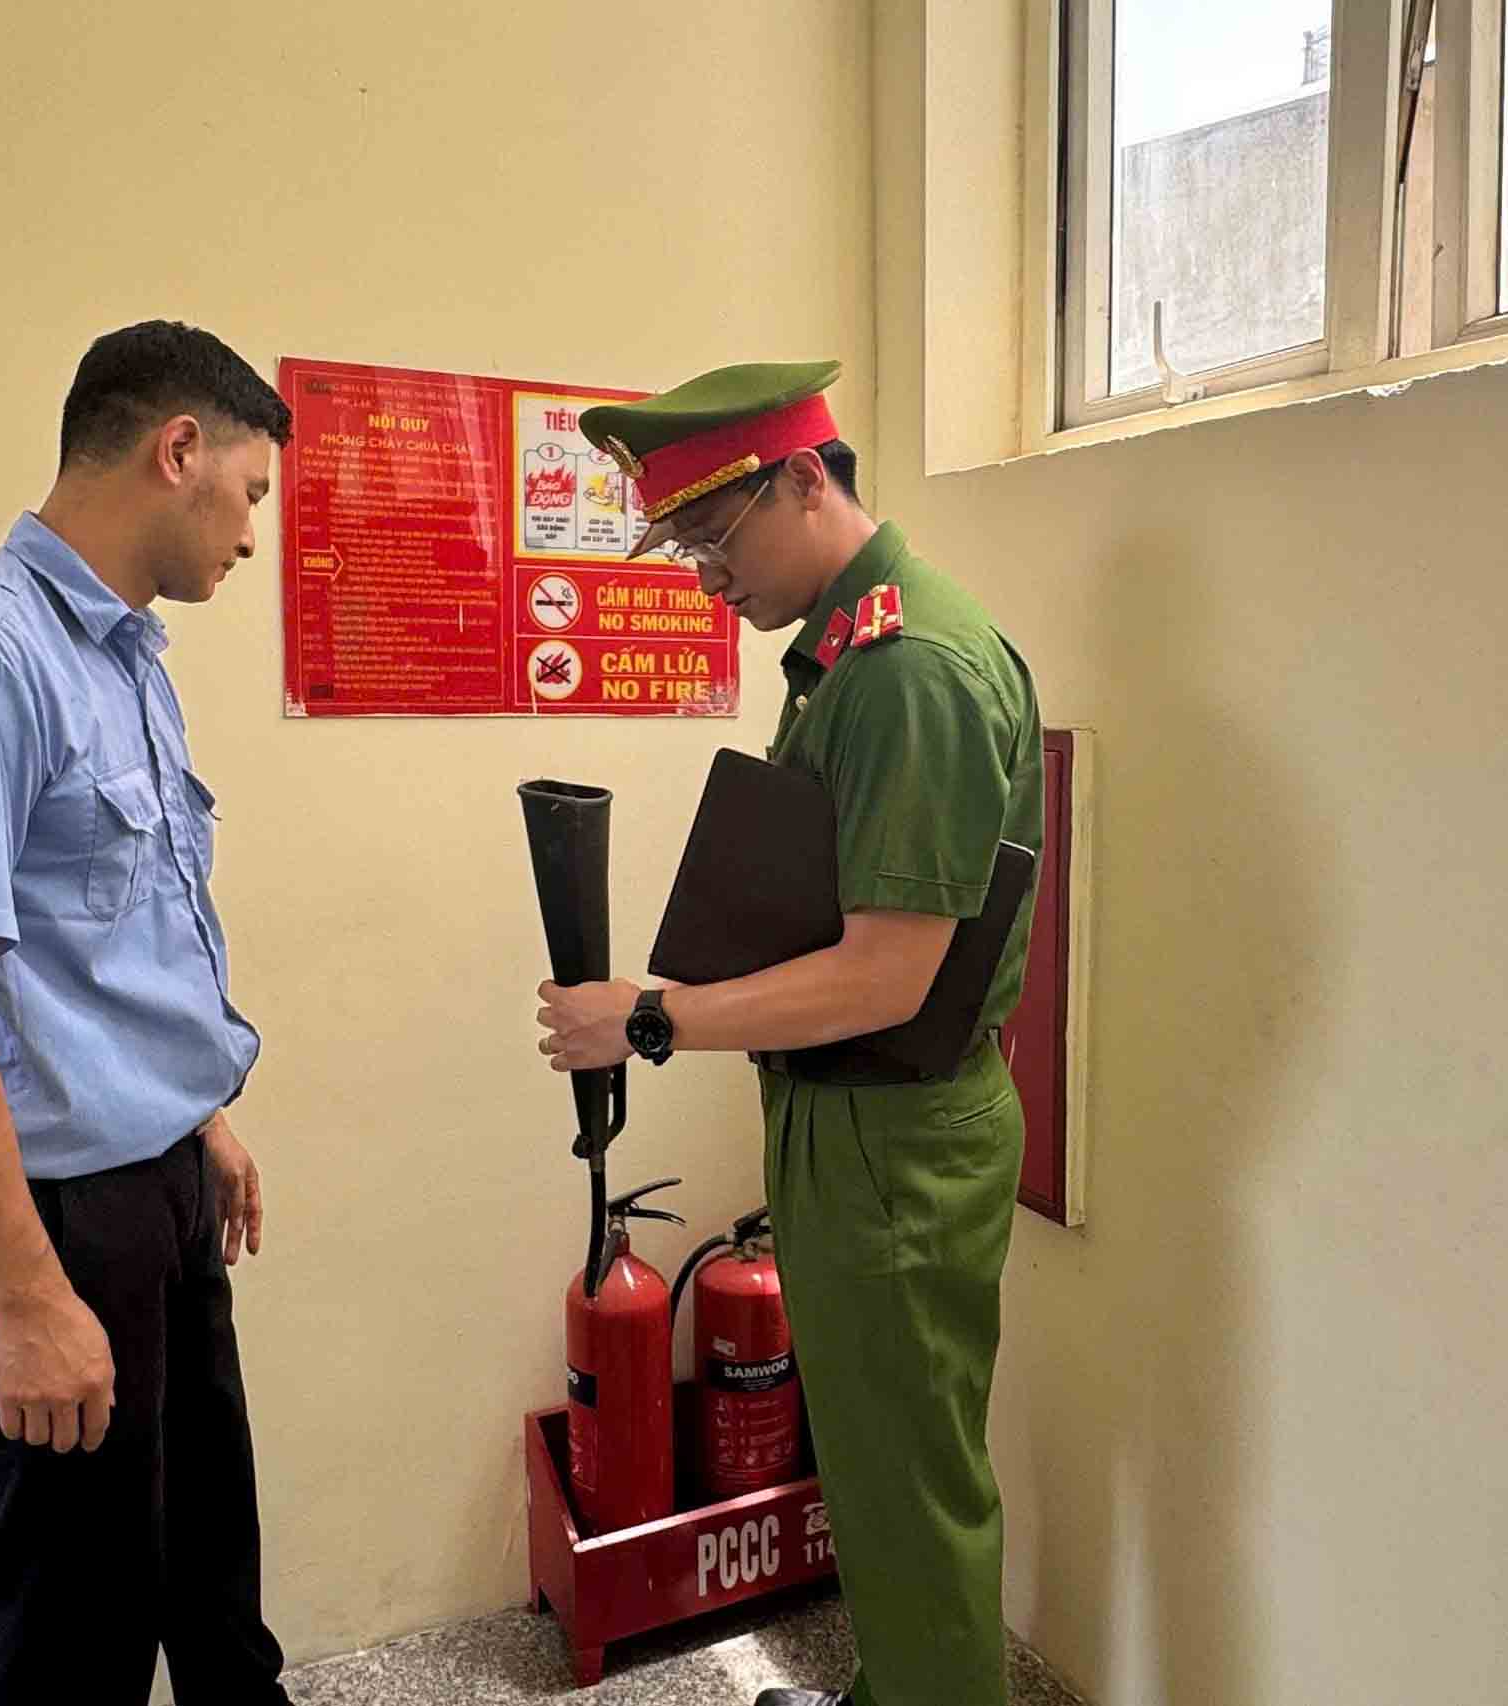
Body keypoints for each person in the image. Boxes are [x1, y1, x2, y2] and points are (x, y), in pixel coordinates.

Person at [536, 360, 1045, 1706]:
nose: (706, 579)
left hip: (894, 1133)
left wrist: (651, 1018)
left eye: (714, 536)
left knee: (914, 1496)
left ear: (805, 479)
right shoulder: (845, 649)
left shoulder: (904, 669)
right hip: (854, 1121)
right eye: (686, 548)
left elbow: (886, 974)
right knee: (878, 1473)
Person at [0, 321, 296, 1706]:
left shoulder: (120, 656)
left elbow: (107, 939)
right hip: (49, 1220)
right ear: (180, 451)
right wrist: (30, 1296)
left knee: (210, 1585)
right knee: (78, 1645)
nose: (250, 536)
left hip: (150, 1184)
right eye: (252, 494)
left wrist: (196, 1115)